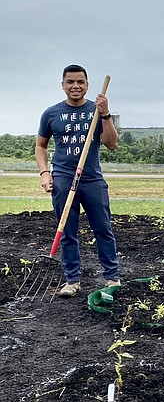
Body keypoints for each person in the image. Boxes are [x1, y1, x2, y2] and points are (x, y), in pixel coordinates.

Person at [35, 64, 121, 297]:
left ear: (87, 85)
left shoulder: (97, 110)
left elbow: (112, 144)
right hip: (63, 177)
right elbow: (40, 146)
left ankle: (112, 278)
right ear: (62, 84)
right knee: (67, 230)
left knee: (103, 229)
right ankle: (72, 281)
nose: (75, 86)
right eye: (70, 82)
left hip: (92, 178)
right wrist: (45, 173)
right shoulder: (51, 113)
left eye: (80, 82)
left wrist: (105, 114)